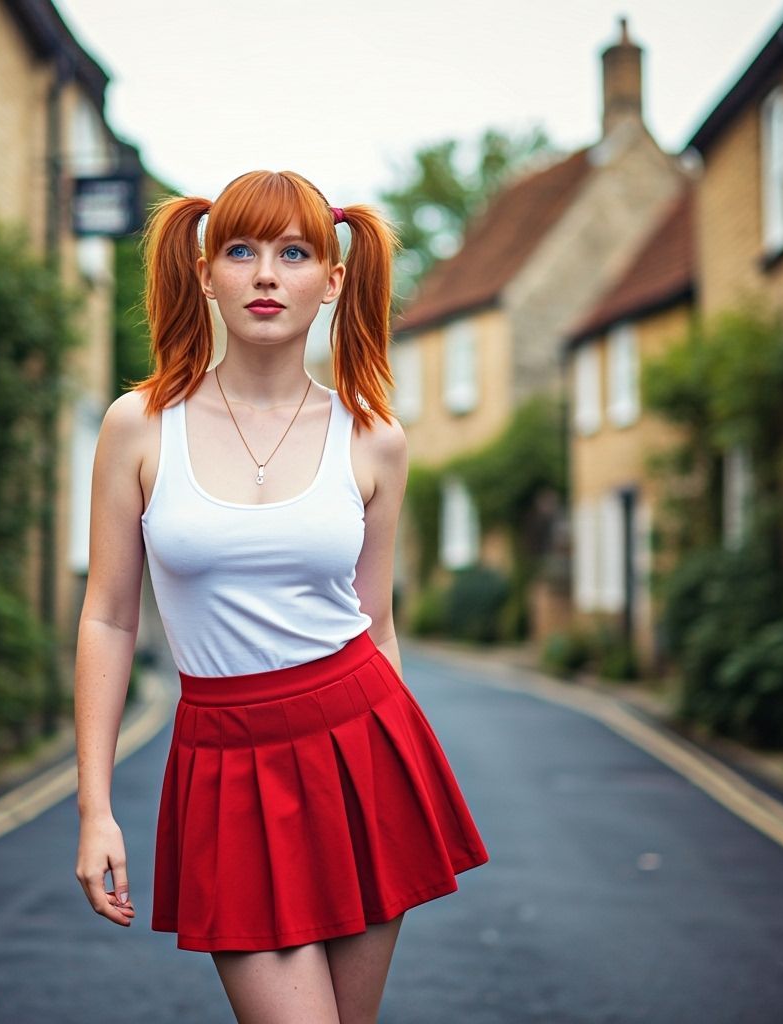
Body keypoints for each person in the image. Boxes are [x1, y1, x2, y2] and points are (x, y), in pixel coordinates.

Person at [74, 169, 489, 1023]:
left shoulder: (374, 439)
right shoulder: (140, 425)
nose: (267, 274)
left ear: (331, 280)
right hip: (224, 759)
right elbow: (109, 618)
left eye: (294, 253)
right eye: (242, 250)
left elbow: (375, 622)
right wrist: (95, 807)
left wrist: (396, 767)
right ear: (204, 271)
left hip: (361, 748)